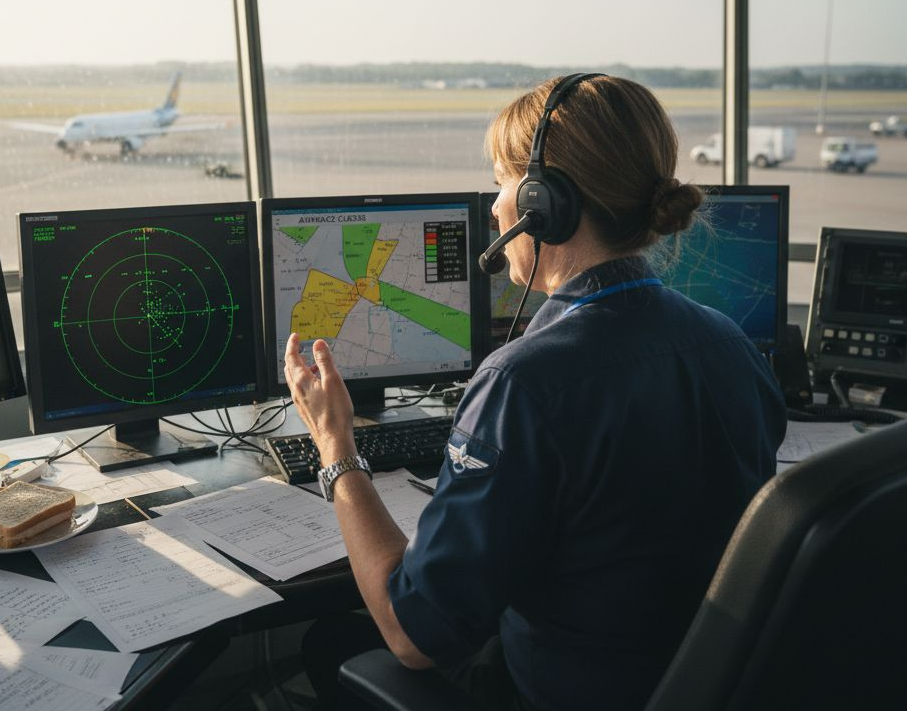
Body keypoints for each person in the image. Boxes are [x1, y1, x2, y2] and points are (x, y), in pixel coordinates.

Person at [286, 74, 787, 711]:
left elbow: (412, 635)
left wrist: (335, 444)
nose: (494, 206)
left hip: (557, 689)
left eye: (500, 180)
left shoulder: (523, 384)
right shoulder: (729, 344)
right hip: (688, 681)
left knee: (332, 642)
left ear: (541, 204)